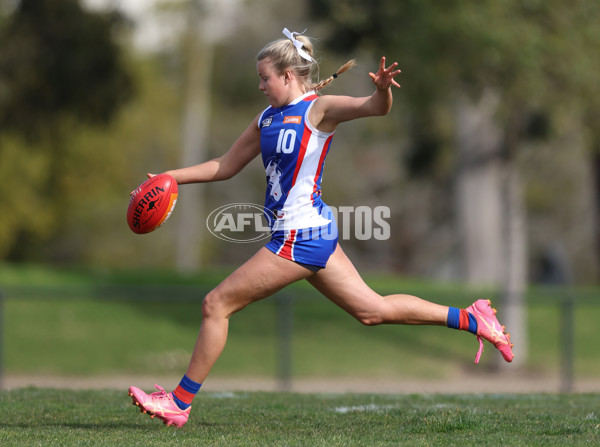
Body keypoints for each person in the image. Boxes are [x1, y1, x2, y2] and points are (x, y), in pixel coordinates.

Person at [128, 28, 514, 428]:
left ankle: (179, 401)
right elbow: (224, 166)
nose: (260, 86)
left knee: (216, 304)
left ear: (289, 76)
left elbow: (374, 108)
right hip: (310, 233)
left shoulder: (319, 109)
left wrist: (383, 89)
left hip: (301, 235)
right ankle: (472, 318)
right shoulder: (265, 119)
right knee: (372, 310)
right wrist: (171, 177)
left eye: (265, 78)